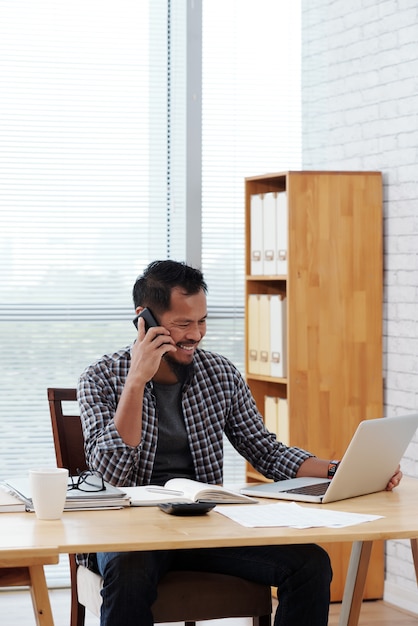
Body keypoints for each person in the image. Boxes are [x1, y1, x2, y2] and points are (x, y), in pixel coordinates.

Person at [77, 259, 402, 626]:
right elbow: (112, 473)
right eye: (183, 323)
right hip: (130, 530)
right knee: (129, 568)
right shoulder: (100, 377)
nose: (196, 335)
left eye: (201, 321)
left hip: (205, 526)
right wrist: (136, 381)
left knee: (310, 563)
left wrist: (338, 470)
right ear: (144, 320)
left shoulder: (219, 374)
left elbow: (266, 451)